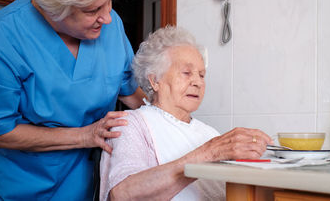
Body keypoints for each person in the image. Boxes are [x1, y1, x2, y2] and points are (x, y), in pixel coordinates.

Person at [0, 0, 145, 199]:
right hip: (23, 186)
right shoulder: (4, 38)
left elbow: (129, 91)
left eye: (109, 2)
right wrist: (84, 136)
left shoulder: (111, 25)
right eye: (93, 9)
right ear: (54, 9)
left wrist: (176, 126)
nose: (107, 17)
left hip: (87, 180)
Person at [100, 27, 273, 200]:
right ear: (155, 81)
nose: (198, 82)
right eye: (186, 73)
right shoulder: (131, 124)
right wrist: (208, 153)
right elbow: (122, 194)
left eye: (202, 75)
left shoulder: (209, 133)